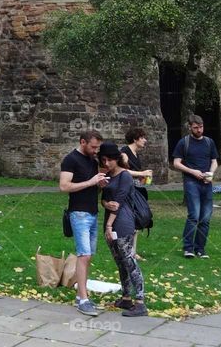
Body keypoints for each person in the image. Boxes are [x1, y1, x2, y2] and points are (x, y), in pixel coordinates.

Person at [59, 129, 107, 317]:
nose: (96, 151)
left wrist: (100, 184)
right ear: (83, 142)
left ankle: (82, 296)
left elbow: (92, 183)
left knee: (88, 257)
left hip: (93, 212)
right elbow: (64, 186)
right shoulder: (71, 159)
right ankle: (83, 300)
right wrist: (91, 182)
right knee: (83, 255)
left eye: (98, 148)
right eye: (93, 147)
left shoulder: (92, 160)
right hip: (78, 213)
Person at [98, 142, 148, 317]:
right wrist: (105, 202)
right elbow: (105, 199)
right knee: (120, 262)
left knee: (129, 261)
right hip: (110, 221)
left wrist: (110, 225)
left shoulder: (125, 176)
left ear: (116, 158)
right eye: (103, 160)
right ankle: (126, 297)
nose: (106, 163)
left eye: (109, 159)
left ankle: (140, 301)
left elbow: (118, 202)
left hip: (122, 222)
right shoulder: (109, 175)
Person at [172, 114, 219, 258]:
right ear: (190, 127)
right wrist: (193, 172)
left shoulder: (209, 142)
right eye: (196, 127)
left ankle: (200, 249)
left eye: (201, 127)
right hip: (191, 182)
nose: (199, 130)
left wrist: (210, 173)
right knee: (194, 215)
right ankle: (188, 248)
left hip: (206, 182)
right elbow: (176, 163)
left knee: (205, 218)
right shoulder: (184, 142)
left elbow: (214, 161)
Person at [120, 127, 153, 260]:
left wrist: (142, 178)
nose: (145, 140)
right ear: (135, 139)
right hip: (127, 192)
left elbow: (133, 174)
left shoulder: (136, 154)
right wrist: (141, 173)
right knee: (131, 221)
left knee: (137, 222)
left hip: (137, 190)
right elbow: (122, 170)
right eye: (142, 137)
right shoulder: (124, 153)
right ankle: (128, 250)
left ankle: (133, 251)